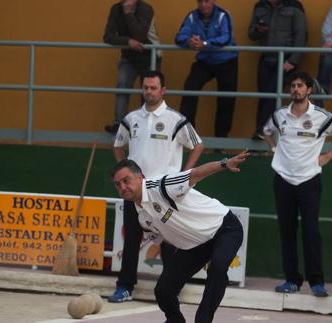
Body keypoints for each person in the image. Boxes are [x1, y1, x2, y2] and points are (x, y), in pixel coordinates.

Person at [111, 150, 250, 323]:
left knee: (218, 269)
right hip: (195, 245)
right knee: (163, 291)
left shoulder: (162, 185)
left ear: (140, 177)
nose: (123, 187)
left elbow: (196, 173)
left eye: (126, 181)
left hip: (224, 228)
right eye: (118, 185)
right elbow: (165, 240)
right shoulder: (142, 218)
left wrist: (224, 163)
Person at [109, 70, 204, 303]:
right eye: (145, 87)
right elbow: (118, 145)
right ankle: (125, 287)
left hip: (163, 193)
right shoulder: (131, 119)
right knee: (131, 238)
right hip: (135, 192)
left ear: (163, 91)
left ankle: (171, 288)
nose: (149, 92)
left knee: (170, 241)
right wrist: (125, 174)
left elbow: (198, 145)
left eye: (153, 88)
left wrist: (183, 175)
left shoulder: (176, 119)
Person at [263, 71, 332, 297]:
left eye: (300, 85)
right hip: (282, 179)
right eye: (292, 85)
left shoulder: (321, 115)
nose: (295, 89)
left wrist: (328, 157)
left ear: (309, 90)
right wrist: (273, 149)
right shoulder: (280, 115)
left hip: (309, 179)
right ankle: (292, 280)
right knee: (287, 231)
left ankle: (317, 283)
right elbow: (266, 131)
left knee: (311, 232)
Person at [175, 0, 238, 139]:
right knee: (190, 88)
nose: (204, 5)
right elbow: (179, 37)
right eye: (200, 1)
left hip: (226, 61)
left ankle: (220, 142)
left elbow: (226, 38)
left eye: (207, 1)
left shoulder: (223, 15)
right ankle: (188, 136)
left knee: (226, 100)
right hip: (205, 61)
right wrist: (190, 42)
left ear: (213, 1)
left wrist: (204, 43)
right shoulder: (192, 16)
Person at [248, 0, 307, 140]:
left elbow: (301, 35)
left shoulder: (294, 6)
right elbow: (251, 34)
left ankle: (261, 130)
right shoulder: (260, 6)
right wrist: (258, 30)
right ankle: (261, 133)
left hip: (285, 59)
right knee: (263, 96)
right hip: (265, 58)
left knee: (272, 94)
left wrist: (293, 61)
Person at [103, 0, 162, 134]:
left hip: (150, 56)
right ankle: (119, 123)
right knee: (122, 85)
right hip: (129, 57)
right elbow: (108, 36)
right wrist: (127, 41)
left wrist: (128, 13)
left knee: (149, 91)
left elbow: (140, 35)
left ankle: (146, 125)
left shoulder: (146, 8)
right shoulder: (116, 9)